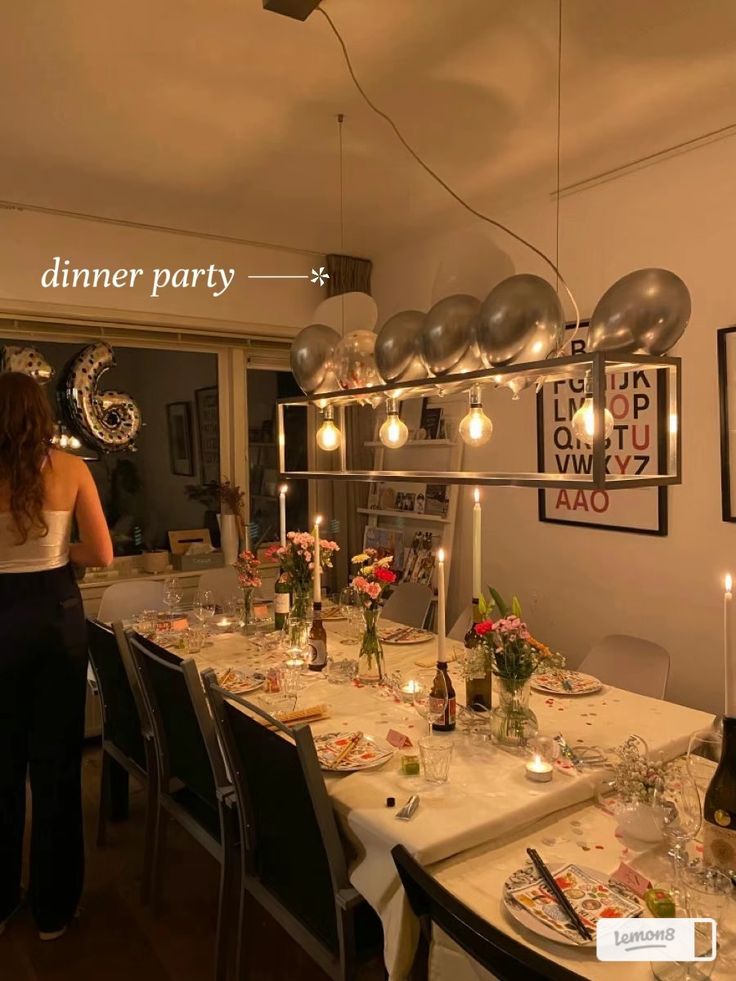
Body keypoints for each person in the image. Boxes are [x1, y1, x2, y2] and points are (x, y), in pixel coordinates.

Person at [0, 372, 112, 940]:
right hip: (53, 619)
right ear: (41, 416)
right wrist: (52, 548)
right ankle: (53, 909)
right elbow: (102, 553)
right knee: (57, 768)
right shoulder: (70, 469)